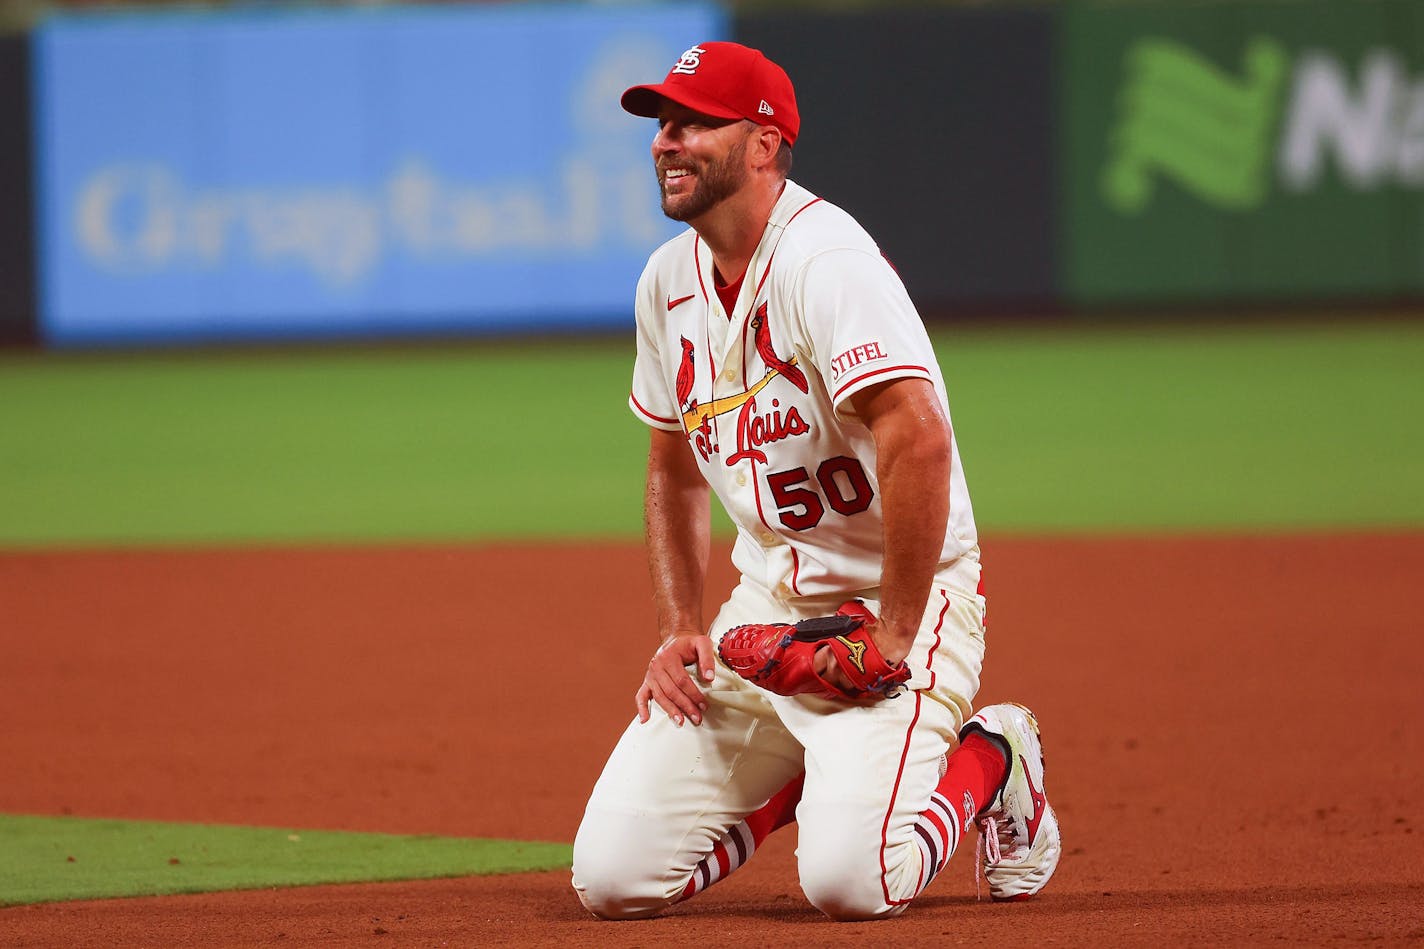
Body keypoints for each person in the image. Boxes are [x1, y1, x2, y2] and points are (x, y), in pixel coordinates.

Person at [571, 41, 1061, 921]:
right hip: (766, 612)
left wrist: (898, 631)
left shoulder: (824, 261)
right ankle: (817, 772)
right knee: (612, 880)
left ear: (763, 144)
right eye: (661, 123)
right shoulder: (663, 286)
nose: (666, 140)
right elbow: (673, 465)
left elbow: (918, 436)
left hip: (901, 600)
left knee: (849, 885)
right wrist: (682, 623)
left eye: (692, 122)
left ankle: (996, 755)